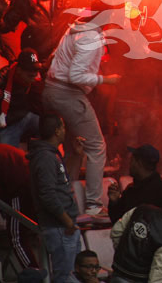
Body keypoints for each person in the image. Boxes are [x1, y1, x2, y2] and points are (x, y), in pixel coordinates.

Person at [42, 13, 123, 217]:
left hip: (52, 91)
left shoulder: (74, 29)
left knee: (73, 147)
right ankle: (94, 206)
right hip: (68, 95)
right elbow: (75, 76)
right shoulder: (90, 38)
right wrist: (106, 80)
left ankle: (65, 199)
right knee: (96, 146)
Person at [28, 113, 81, 283]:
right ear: (57, 130)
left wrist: (76, 155)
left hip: (65, 226)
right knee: (64, 277)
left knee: (71, 273)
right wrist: (66, 221)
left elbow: (66, 181)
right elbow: (47, 195)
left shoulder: (52, 154)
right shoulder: (45, 157)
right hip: (59, 227)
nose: (65, 130)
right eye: (63, 127)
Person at [109, 192, 162, 283]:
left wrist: (122, 253)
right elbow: (157, 276)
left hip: (118, 272)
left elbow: (116, 231)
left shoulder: (141, 209)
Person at [0, 144, 38, 269]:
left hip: (20, 191)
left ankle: (33, 274)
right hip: (35, 186)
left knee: (17, 238)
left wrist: (5, 207)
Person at [107, 144, 162, 225]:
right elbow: (118, 221)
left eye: (132, 160)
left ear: (138, 163)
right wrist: (115, 202)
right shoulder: (131, 190)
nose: (129, 164)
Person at [0, 49, 44, 147]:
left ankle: (41, 157)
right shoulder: (1, 80)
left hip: (25, 116)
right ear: (19, 70)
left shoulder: (35, 81)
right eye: (30, 75)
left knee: (48, 127)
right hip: (6, 125)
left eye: (35, 72)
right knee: (6, 153)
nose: (34, 77)